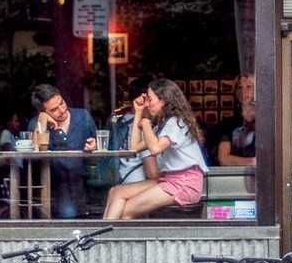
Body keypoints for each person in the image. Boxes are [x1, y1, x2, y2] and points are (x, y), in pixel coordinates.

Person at [103, 78, 207, 220]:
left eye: (150, 99)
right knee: (116, 192)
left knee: (127, 210)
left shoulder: (176, 122)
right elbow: (135, 147)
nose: (147, 103)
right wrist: (139, 113)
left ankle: (114, 241)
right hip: (169, 179)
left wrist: (145, 122)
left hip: (185, 183)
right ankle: (101, 239)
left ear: (163, 101)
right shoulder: (162, 125)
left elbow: (155, 149)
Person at [29, 84, 96, 219]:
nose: (62, 109)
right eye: (54, 110)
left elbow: (99, 142)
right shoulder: (37, 124)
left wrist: (94, 145)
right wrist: (43, 121)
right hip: (58, 192)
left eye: (62, 103)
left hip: (87, 187)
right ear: (43, 112)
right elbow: (34, 152)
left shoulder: (82, 116)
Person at [108, 76, 151, 185]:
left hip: (121, 175)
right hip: (138, 177)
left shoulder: (118, 121)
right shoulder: (144, 123)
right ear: (142, 98)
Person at [217, 96, 256, 166]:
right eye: (245, 107)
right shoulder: (229, 125)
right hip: (234, 174)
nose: (248, 111)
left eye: (252, 106)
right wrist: (251, 161)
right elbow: (223, 159)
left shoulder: (265, 127)